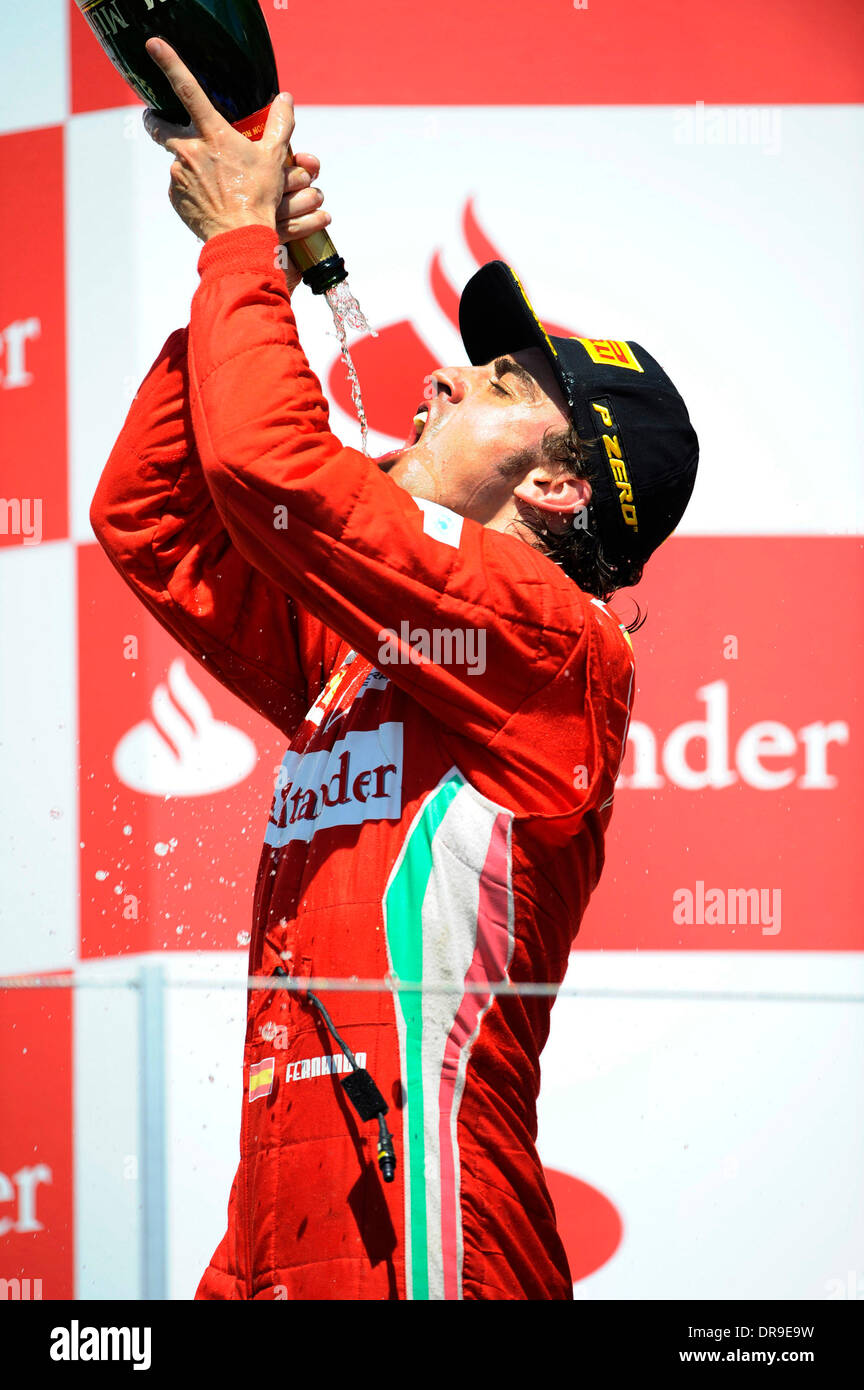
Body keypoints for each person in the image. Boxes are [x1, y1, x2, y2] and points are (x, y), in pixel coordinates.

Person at [90, 39, 698, 1301]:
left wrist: (245, 252)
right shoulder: (387, 645)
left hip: (433, 1240)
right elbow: (154, 514)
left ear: (554, 485)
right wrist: (245, 270)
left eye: (490, 384)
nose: (436, 374)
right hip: (280, 1228)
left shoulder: (543, 639)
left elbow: (274, 470)